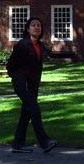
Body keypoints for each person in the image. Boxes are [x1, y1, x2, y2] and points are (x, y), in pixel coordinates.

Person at [5, 17, 57, 154]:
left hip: (33, 85)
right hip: (23, 84)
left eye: (38, 25)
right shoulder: (22, 45)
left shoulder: (39, 46)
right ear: (28, 29)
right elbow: (10, 66)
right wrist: (18, 78)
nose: (36, 27)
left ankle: (17, 144)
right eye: (33, 25)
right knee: (34, 109)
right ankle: (44, 142)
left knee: (26, 114)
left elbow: (37, 67)